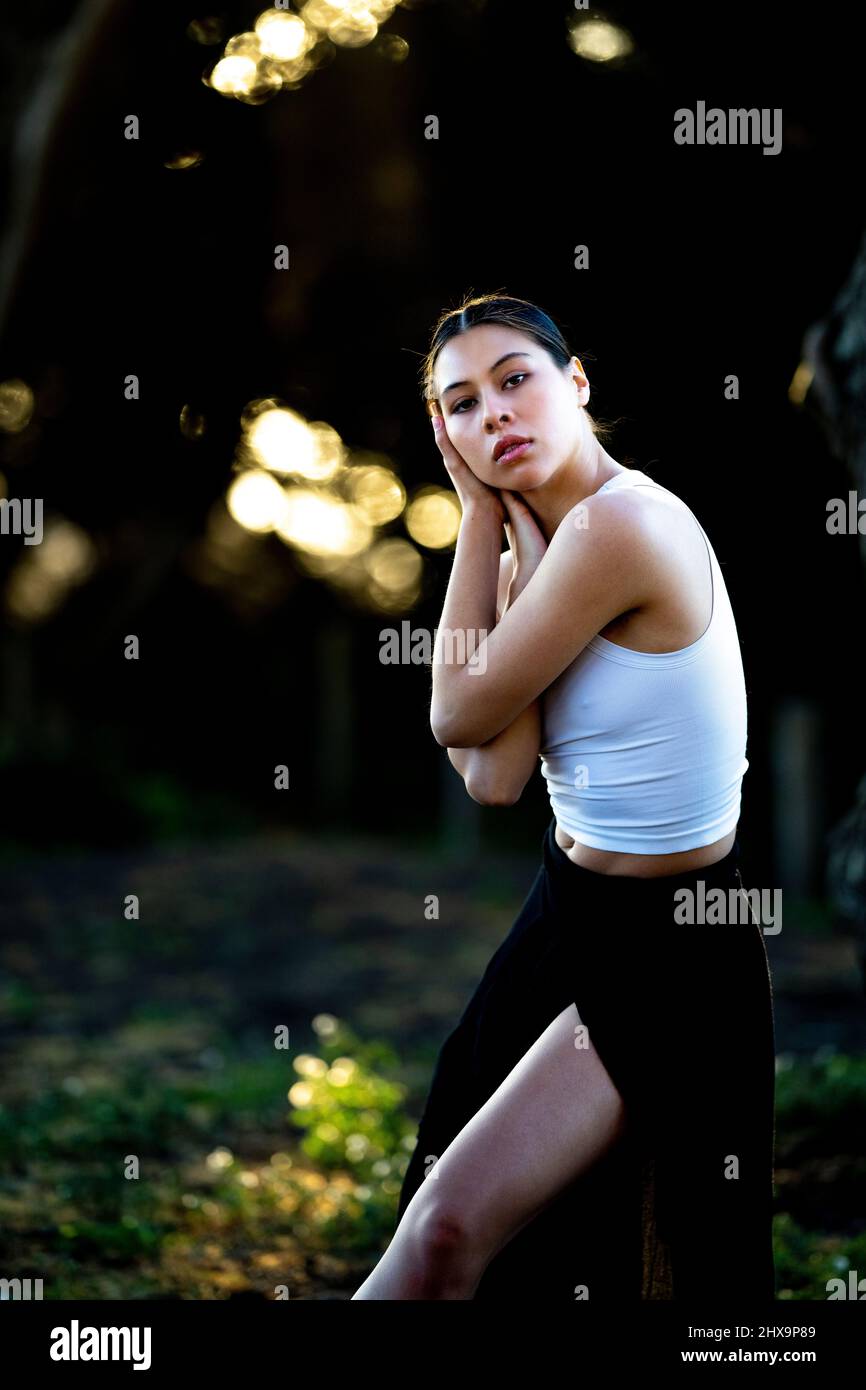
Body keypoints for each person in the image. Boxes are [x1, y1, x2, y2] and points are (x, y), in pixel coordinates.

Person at [351, 290, 776, 1301]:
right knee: (451, 1224)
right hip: (564, 915)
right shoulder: (540, 554)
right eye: (459, 404)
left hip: (667, 950)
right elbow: (495, 778)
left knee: (449, 1230)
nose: (491, 413)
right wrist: (488, 531)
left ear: (573, 382)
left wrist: (480, 525)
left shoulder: (618, 528)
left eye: (513, 380)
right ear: (442, 434)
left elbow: (454, 717)